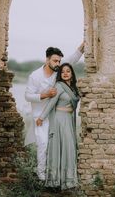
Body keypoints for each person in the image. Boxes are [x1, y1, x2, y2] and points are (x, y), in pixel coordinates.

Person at [25, 43, 84, 181]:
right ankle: (41, 175)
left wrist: (84, 44)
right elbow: (27, 96)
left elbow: (73, 59)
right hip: (41, 116)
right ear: (47, 60)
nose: (58, 63)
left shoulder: (59, 70)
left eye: (59, 61)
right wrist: (44, 95)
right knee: (43, 143)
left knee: (56, 146)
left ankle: (57, 175)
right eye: (55, 61)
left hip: (57, 115)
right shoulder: (35, 76)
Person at [36, 63, 80, 190]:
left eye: (68, 71)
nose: (65, 73)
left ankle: (68, 181)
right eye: (62, 72)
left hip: (69, 120)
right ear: (60, 75)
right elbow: (51, 103)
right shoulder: (59, 86)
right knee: (59, 148)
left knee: (69, 148)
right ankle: (55, 182)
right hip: (59, 120)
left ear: (72, 73)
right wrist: (41, 118)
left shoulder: (74, 88)